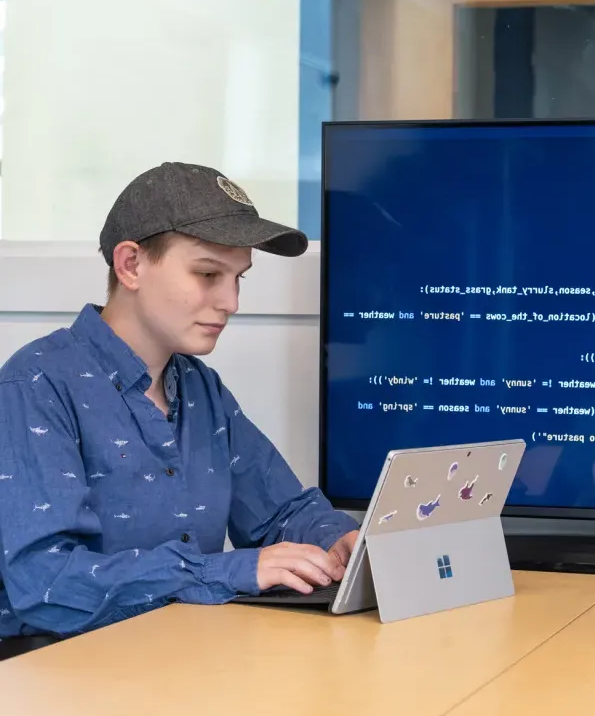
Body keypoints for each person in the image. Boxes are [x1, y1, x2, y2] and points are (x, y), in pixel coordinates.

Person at [0, 162, 360, 644]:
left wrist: (336, 540)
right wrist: (222, 571)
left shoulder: (200, 388)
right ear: (131, 265)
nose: (231, 301)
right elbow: (45, 581)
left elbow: (280, 514)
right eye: (208, 273)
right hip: (65, 680)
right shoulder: (36, 385)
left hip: (183, 662)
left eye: (239, 278)